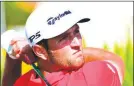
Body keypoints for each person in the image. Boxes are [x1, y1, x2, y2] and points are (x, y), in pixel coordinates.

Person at [2, 2, 124, 86]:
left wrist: (14, 54)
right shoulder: (94, 75)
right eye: (64, 38)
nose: (77, 43)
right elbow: (113, 59)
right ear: (40, 51)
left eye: (76, 32)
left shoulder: (27, 81)